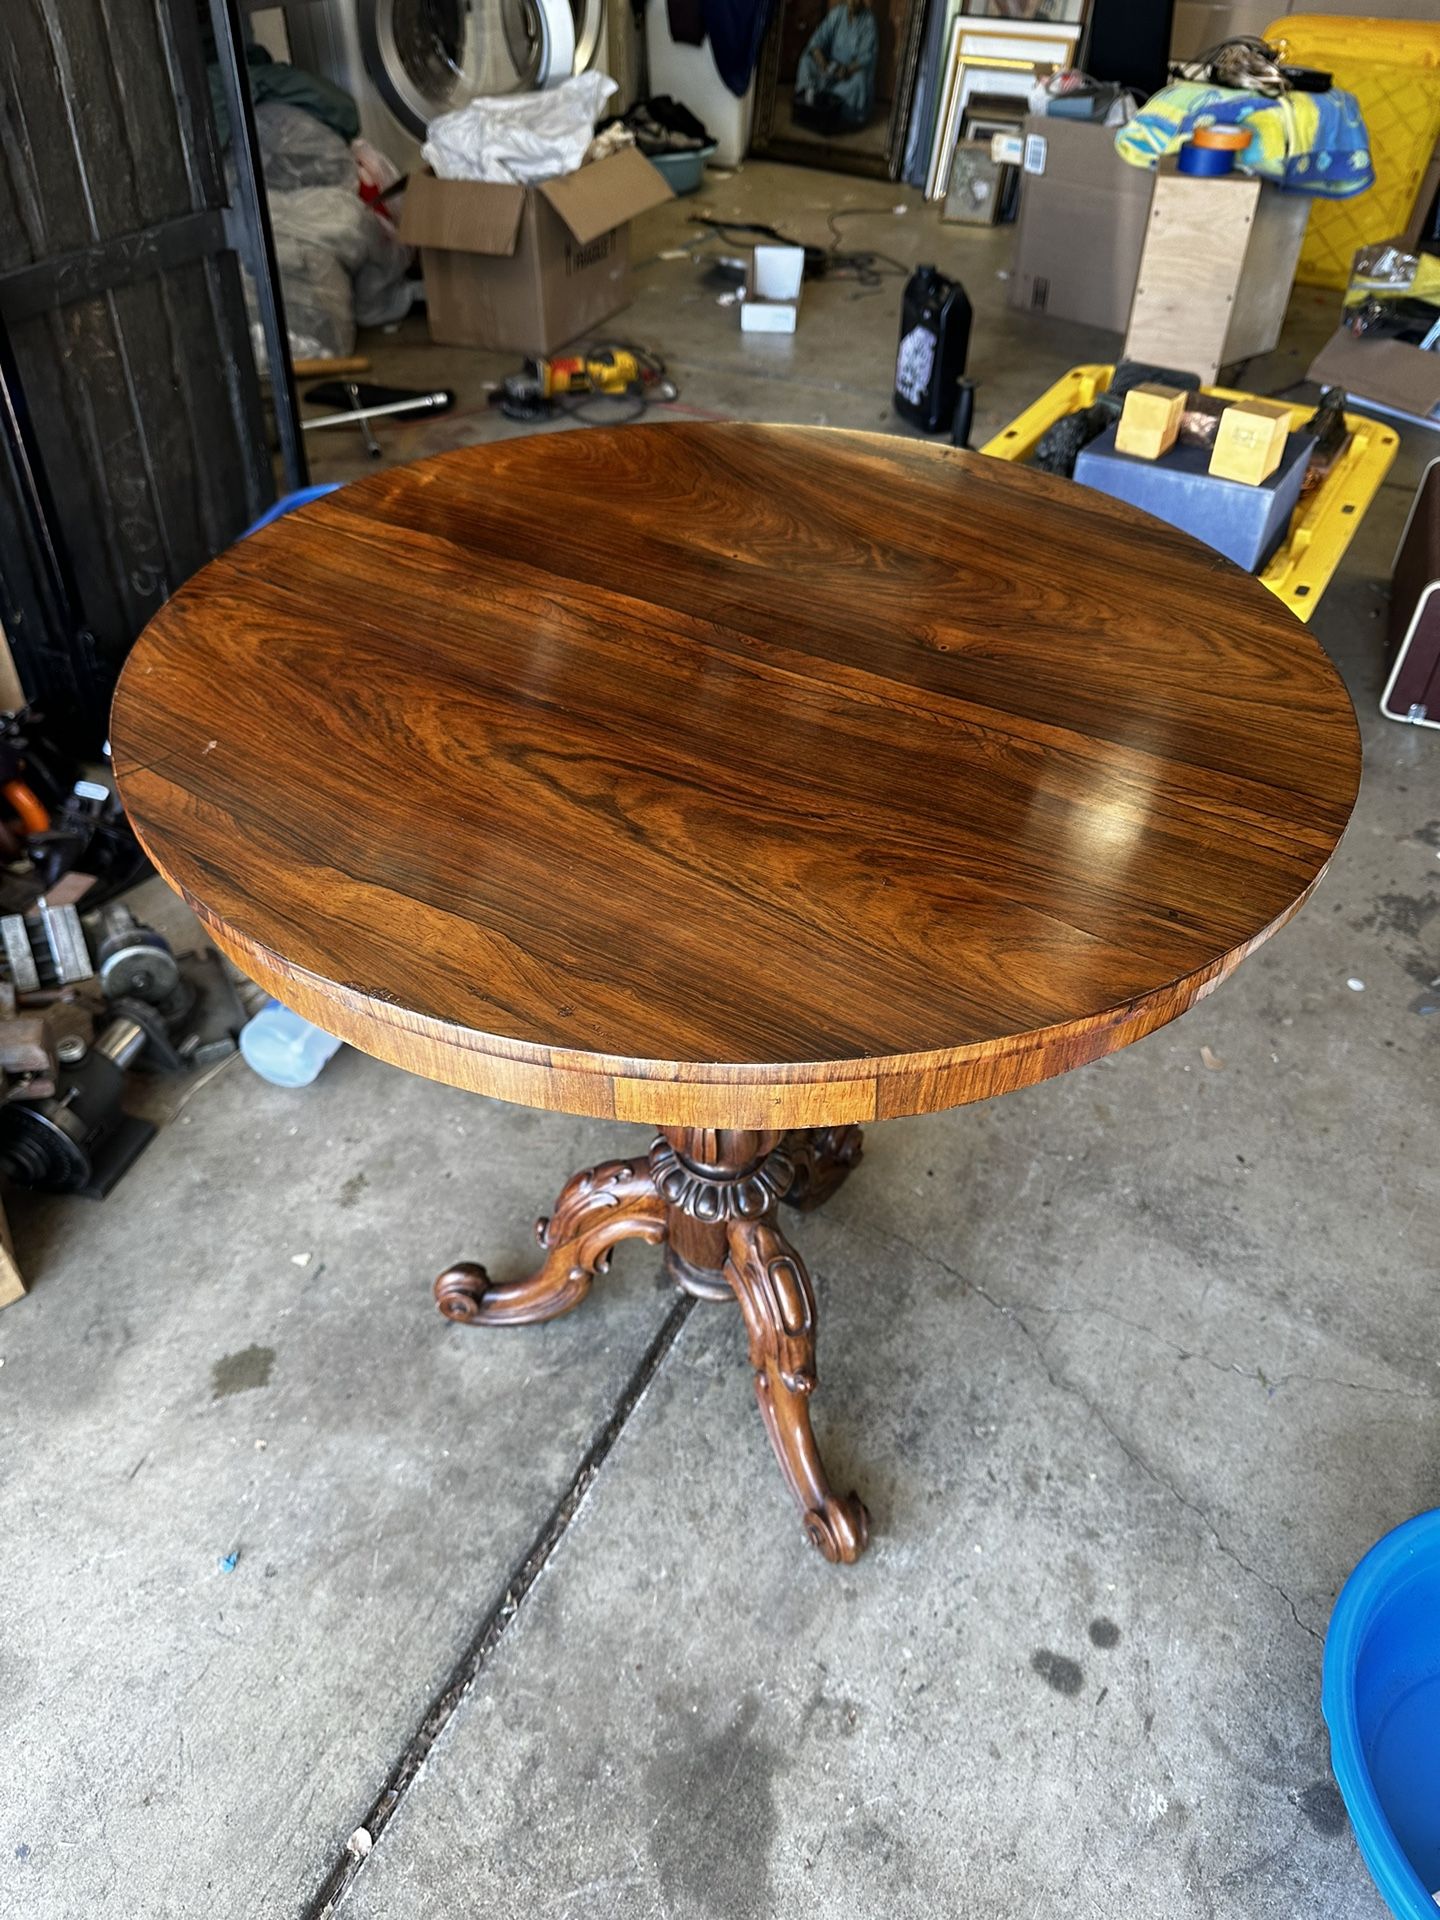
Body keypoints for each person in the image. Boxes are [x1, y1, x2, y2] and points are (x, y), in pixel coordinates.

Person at [794, 0, 879, 134]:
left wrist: (846, 70)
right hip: (829, 67)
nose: (852, 3)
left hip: (850, 73)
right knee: (806, 60)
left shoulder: (869, 21)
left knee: (859, 81)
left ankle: (832, 107)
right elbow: (817, 40)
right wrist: (822, 62)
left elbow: (866, 57)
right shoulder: (837, 13)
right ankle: (810, 102)